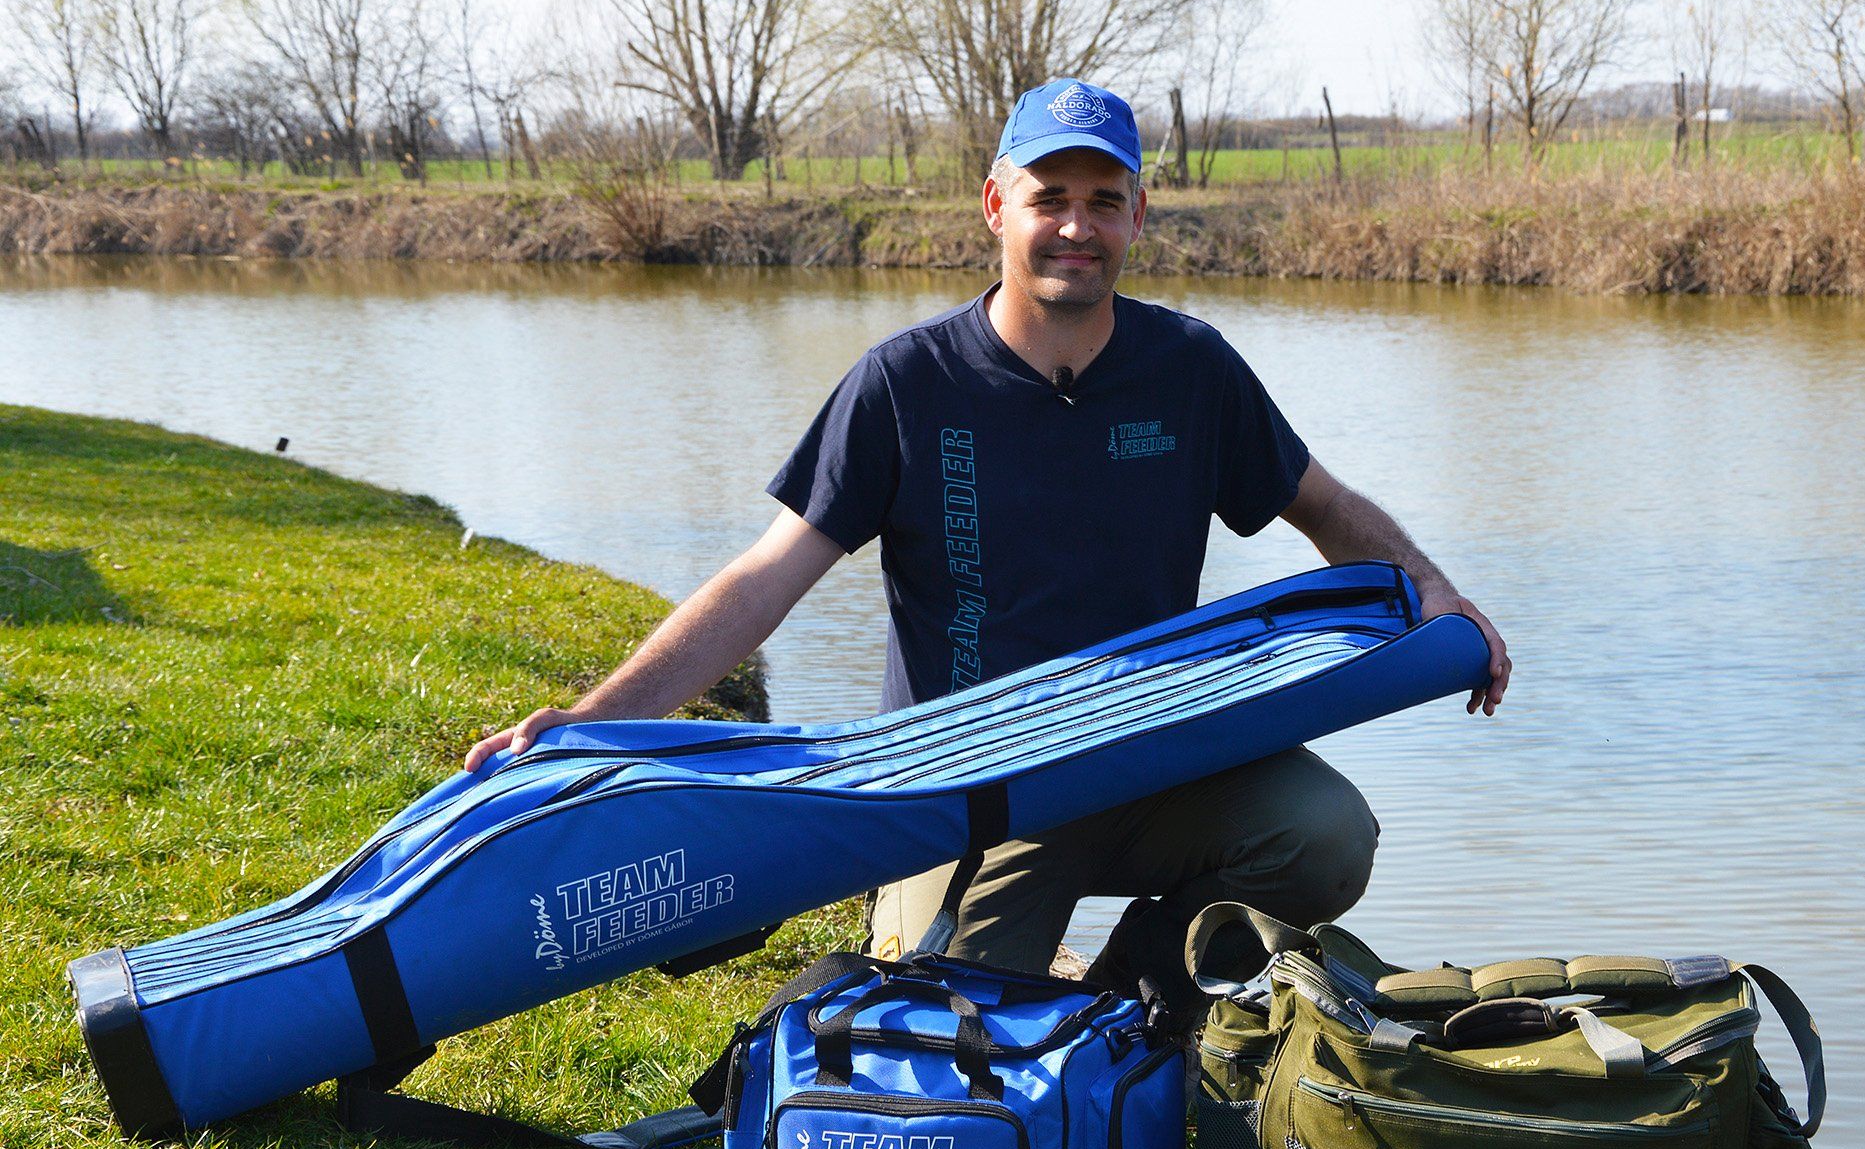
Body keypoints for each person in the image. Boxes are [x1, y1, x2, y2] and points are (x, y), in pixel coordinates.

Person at [465, 79, 1511, 1005]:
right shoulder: (905, 384)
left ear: (1138, 215)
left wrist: (1435, 590)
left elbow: (1324, 507)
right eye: (1049, 197)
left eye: (1104, 201)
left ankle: (1124, 1009)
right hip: (963, 786)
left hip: (1151, 756)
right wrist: (597, 722)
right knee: (942, 1008)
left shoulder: (1194, 371)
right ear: (996, 206)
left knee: (1325, 837)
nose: (1075, 226)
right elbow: (762, 580)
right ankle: (971, 970)